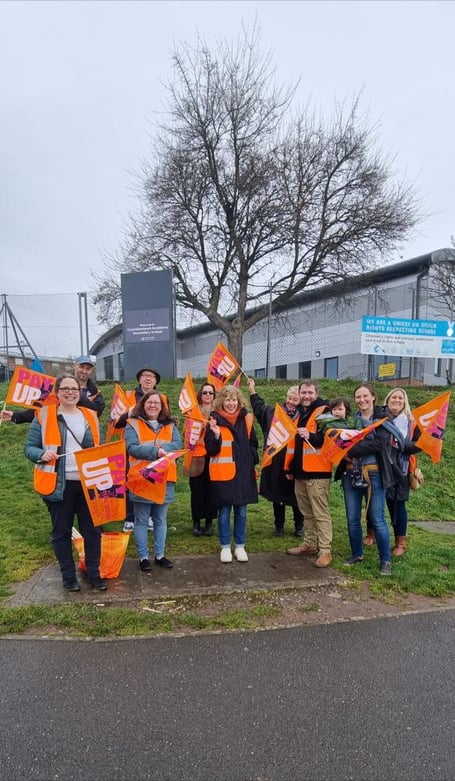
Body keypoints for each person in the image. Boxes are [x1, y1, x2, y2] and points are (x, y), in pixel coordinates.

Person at [24, 374, 107, 592]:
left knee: (93, 531)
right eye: (65, 389)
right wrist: (42, 454)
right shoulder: (43, 415)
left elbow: (99, 447)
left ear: (79, 392)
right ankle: (68, 576)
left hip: (89, 483)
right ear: (57, 392)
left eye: (74, 389)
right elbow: (29, 448)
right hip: (58, 484)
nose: (70, 392)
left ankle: (94, 573)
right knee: (61, 531)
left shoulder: (90, 415)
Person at [335, 384, 396, 576]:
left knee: (377, 518)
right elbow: (339, 441)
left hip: (375, 473)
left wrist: (350, 449)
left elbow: (379, 443)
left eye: (365, 396)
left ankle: (385, 561)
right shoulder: (352, 420)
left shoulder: (384, 419)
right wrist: (343, 449)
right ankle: (356, 554)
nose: (361, 400)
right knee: (352, 518)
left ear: (373, 397)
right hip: (350, 473)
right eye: (358, 397)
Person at [125, 390, 182, 571]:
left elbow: (177, 446)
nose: (153, 405)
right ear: (143, 404)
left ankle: (160, 555)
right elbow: (132, 448)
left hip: (165, 479)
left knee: (160, 519)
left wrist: (155, 448)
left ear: (162, 406)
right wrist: (157, 452)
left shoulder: (171, 426)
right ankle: (143, 557)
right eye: (149, 402)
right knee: (141, 520)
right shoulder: (131, 424)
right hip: (142, 479)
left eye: (157, 403)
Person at [205, 385, 259, 563]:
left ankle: (240, 546)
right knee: (224, 512)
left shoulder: (247, 419)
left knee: (242, 512)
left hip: (243, 473)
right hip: (224, 474)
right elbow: (210, 450)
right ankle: (225, 547)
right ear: (221, 401)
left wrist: (251, 458)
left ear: (239, 401)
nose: (230, 403)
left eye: (234, 399)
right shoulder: (213, 420)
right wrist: (216, 436)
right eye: (227, 399)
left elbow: (254, 444)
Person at [285, 381, 333, 568]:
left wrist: (311, 436)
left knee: (320, 513)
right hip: (300, 472)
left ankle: (325, 550)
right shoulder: (300, 413)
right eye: (303, 392)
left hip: (318, 472)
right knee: (306, 512)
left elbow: (330, 438)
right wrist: (289, 468)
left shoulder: (324, 411)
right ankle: (309, 544)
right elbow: (294, 444)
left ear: (316, 393)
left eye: (309, 392)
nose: (306, 395)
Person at [247, 378, 303, 537]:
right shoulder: (273, 413)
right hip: (275, 462)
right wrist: (253, 390)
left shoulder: (304, 416)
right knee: (277, 496)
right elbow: (259, 408)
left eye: (295, 399)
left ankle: (299, 526)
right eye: (290, 398)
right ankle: (279, 526)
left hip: (294, 462)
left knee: (296, 497)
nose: (291, 402)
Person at [367, 388, 420, 556]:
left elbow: (419, 444)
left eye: (400, 398)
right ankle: (371, 533)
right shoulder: (379, 417)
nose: (397, 400)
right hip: (379, 465)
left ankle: (400, 542)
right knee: (372, 501)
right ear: (387, 400)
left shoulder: (412, 422)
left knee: (398, 505)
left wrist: (402, 446)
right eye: (393, 397)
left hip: (400, 469)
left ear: (405, 402)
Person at [117, 367, 164, 532]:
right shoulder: (128, 396)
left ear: (156, 381)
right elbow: (116, 422)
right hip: (132, 446)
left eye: (151, 376)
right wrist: (128, 414)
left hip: (154, 446)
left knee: (151, 479)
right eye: (144, 376)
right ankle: (130, 517)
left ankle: (149, 516)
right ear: (139, 379)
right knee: (130, 479)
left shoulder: (162, 398)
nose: (148, 379)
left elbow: (164, 418)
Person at [187, 383, 218, 537]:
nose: (207, 395)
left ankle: (209, 522)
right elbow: (187, 433)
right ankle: (196, 522)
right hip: (197, 456)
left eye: (210, 393)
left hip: (213, 456)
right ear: (200, 394)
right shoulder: (193, 411)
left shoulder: (218, 412)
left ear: (214, 395)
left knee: (212, 491)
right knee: (197, 491)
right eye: (205, 392)